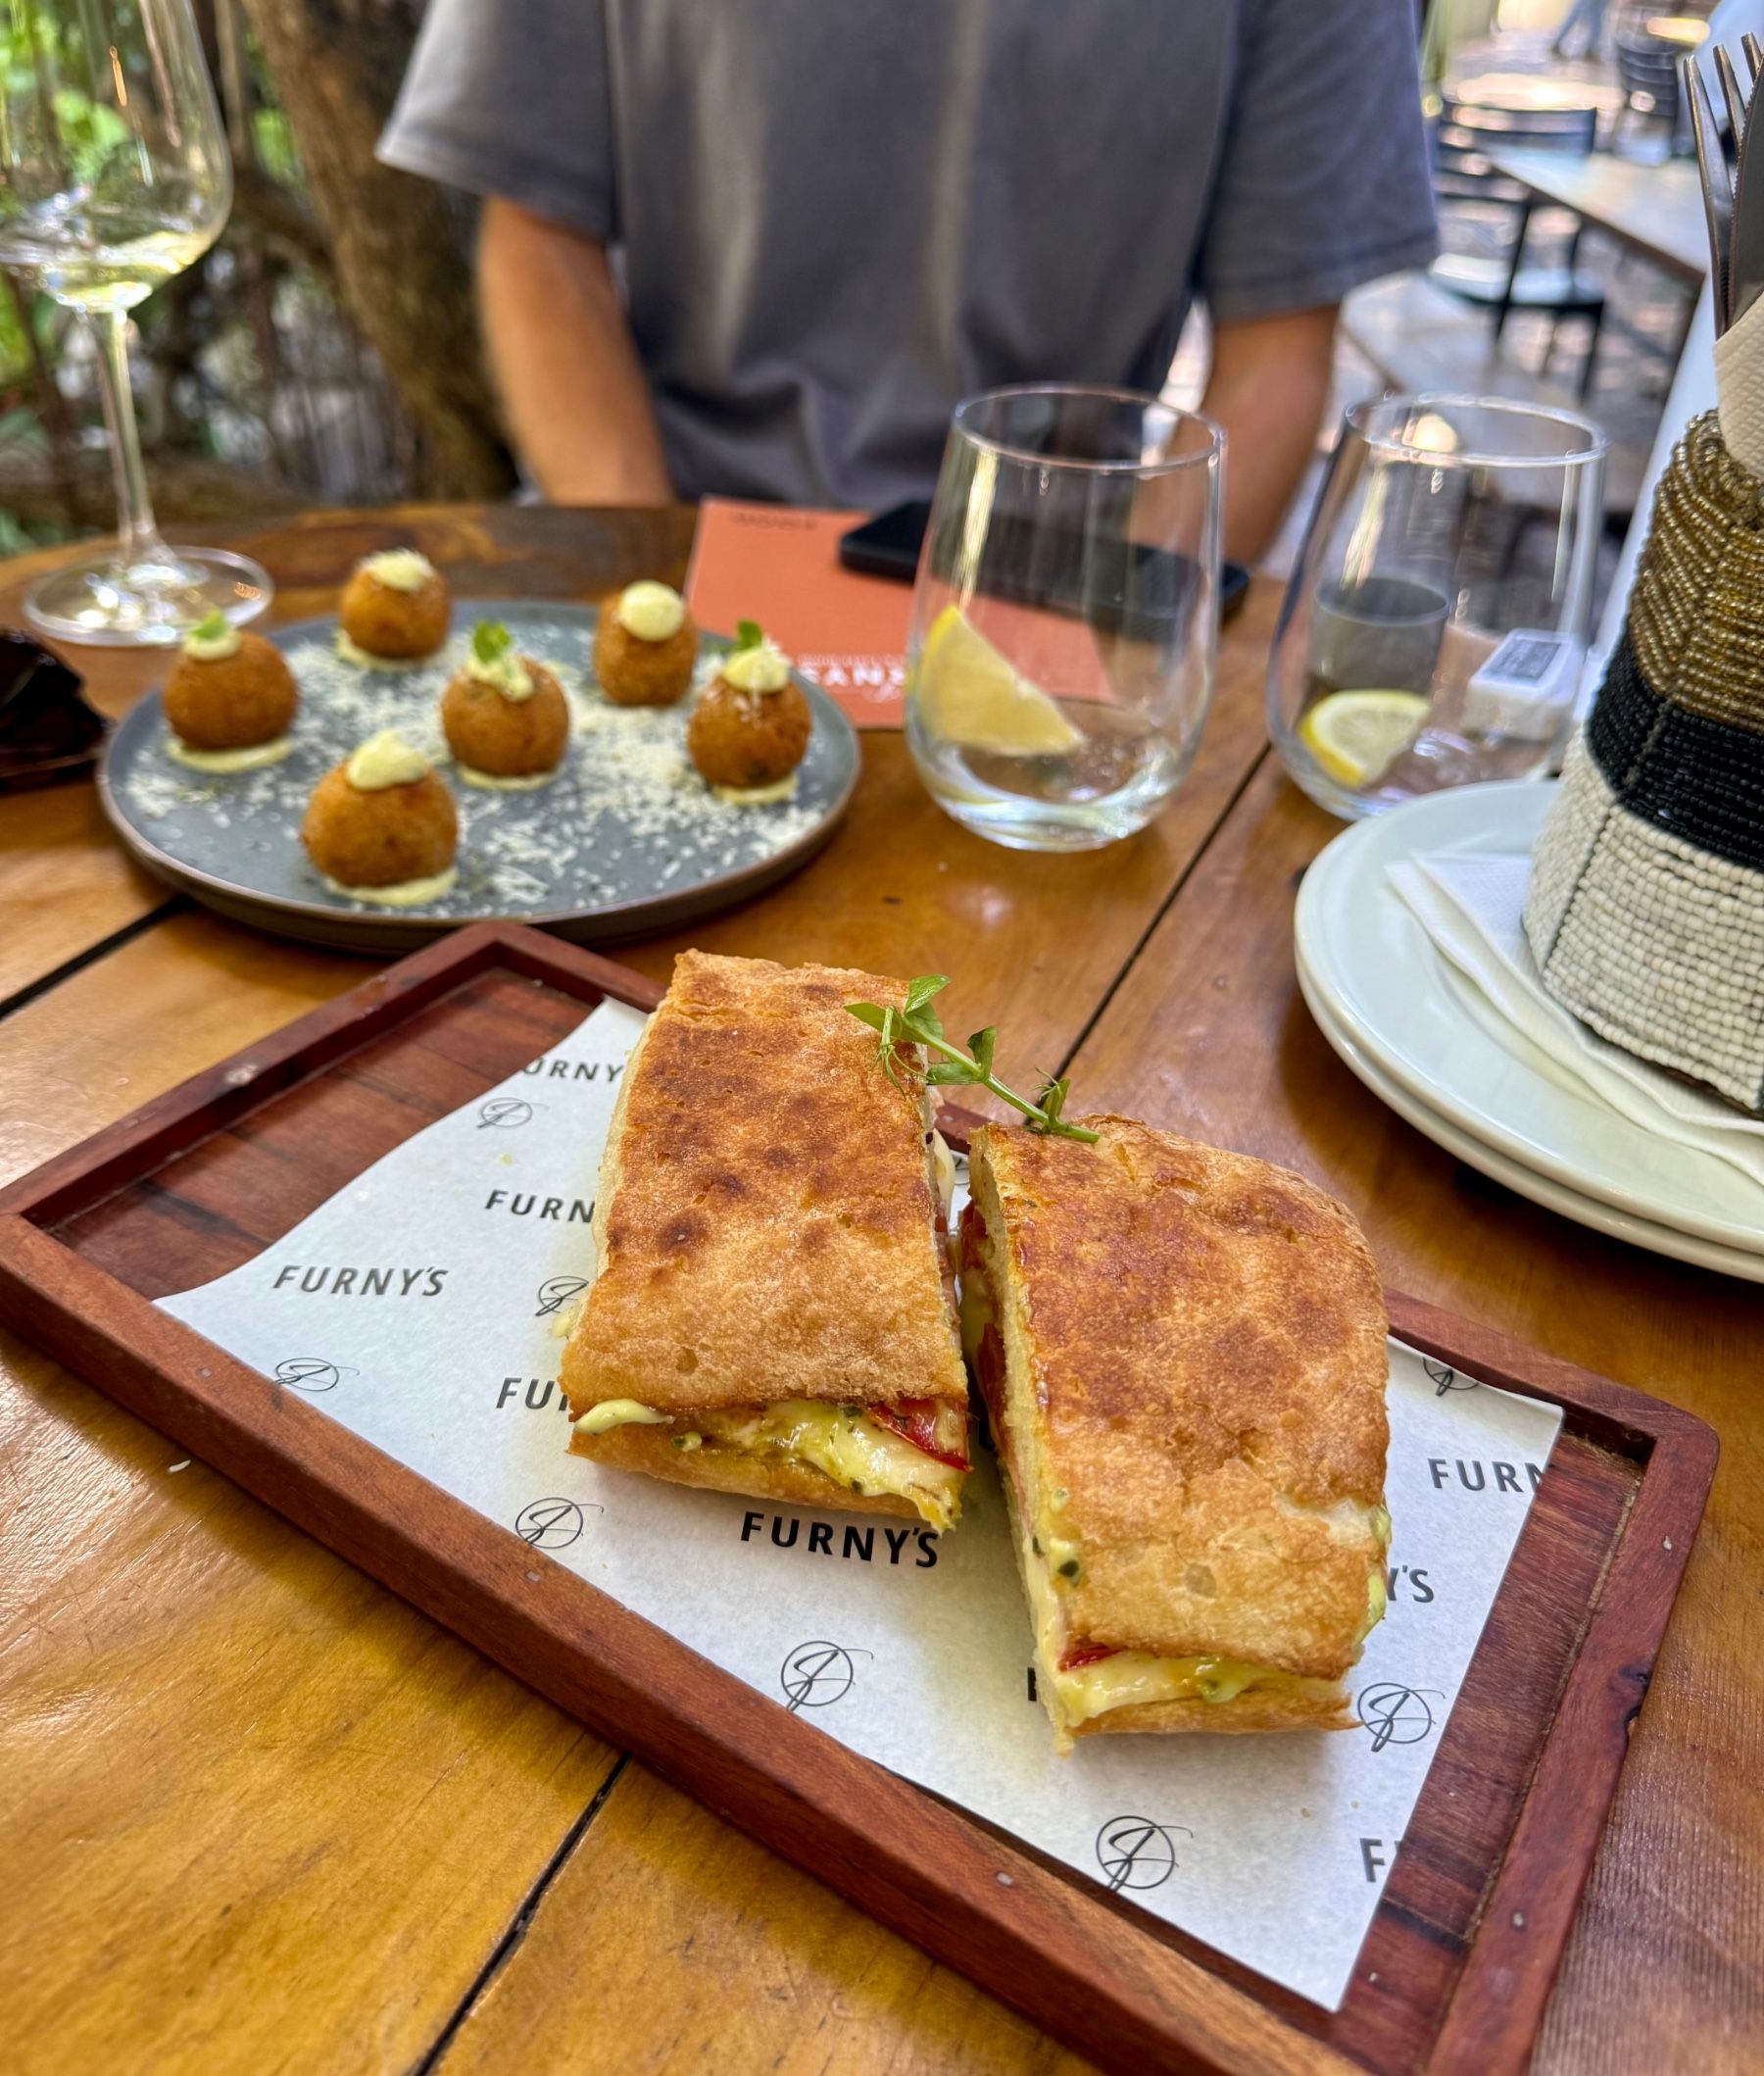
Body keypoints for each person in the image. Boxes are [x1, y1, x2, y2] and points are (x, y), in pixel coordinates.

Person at [381, 1, 1436, 563]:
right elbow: (538, 231)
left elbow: (1278, 349)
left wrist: (1132, 646)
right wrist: (652, 582)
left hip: (1055, 574)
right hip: (669, 528)